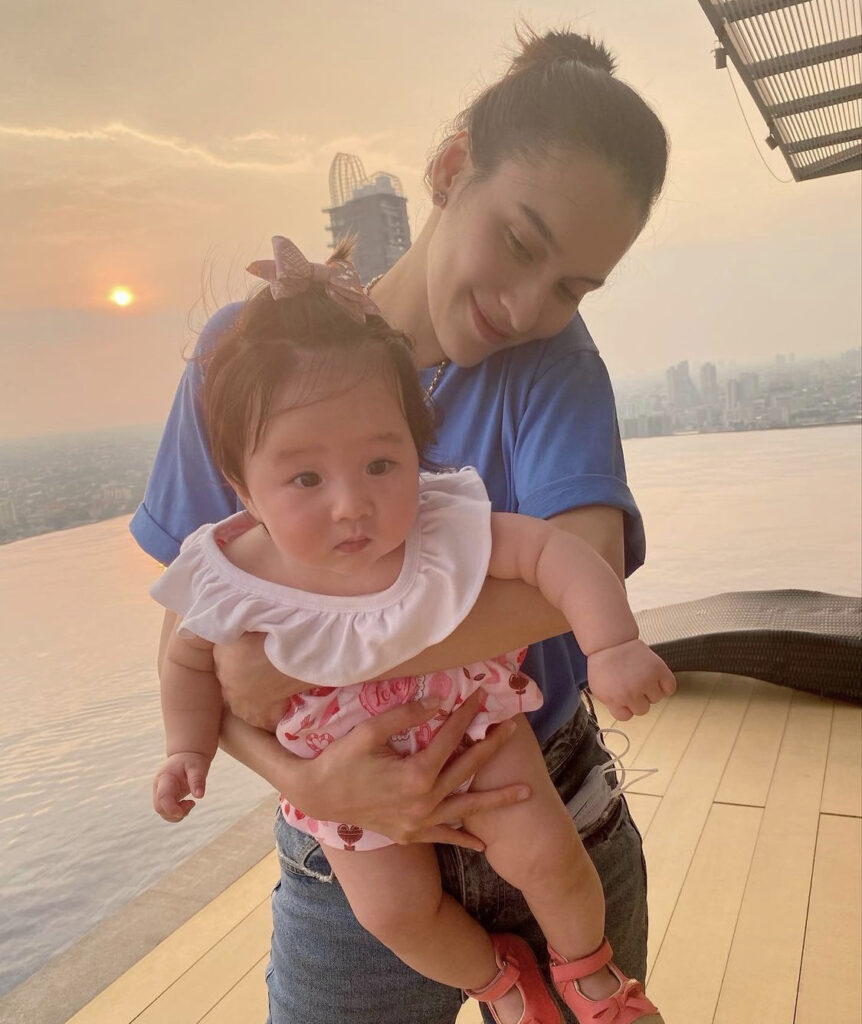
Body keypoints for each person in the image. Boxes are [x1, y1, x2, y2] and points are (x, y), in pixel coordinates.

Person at [131, 26, 671, 1024]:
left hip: (543, 798)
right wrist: (306, 776)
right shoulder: (250, 358)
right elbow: (196, 641)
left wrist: (304, 655)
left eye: (572, 287)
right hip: (345, 846)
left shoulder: (554, 365)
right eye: (521, 243)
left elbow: (579, 566)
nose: (528, 305)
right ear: (451, 167)